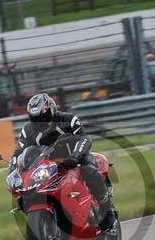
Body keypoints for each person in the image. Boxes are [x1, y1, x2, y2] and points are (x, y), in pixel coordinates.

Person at [13, 93, 114, 229]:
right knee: (29, 185)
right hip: (48, 165)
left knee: (87, 169)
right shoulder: (27, 130)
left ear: (52, 110)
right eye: (35, 119)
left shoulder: (68, 119)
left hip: (75, 158)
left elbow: (84, 138)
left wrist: (75, 156)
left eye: (43, 117)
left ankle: (105, 208)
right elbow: (19, 151)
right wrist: (13, 168)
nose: (40, 122)